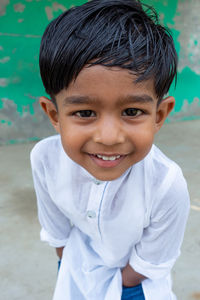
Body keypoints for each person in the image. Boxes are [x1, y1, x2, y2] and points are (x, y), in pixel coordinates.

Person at [30, 1, 190, 299]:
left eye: (131, 111)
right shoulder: (45, 159)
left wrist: (115, 284)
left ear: (159, 115)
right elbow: (58, 232)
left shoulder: (167, 185)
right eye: (85, 113)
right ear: (53, 115)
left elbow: (150, 261)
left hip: (133, 284)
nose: (108, 137)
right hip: (73, 269)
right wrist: (74, 269)